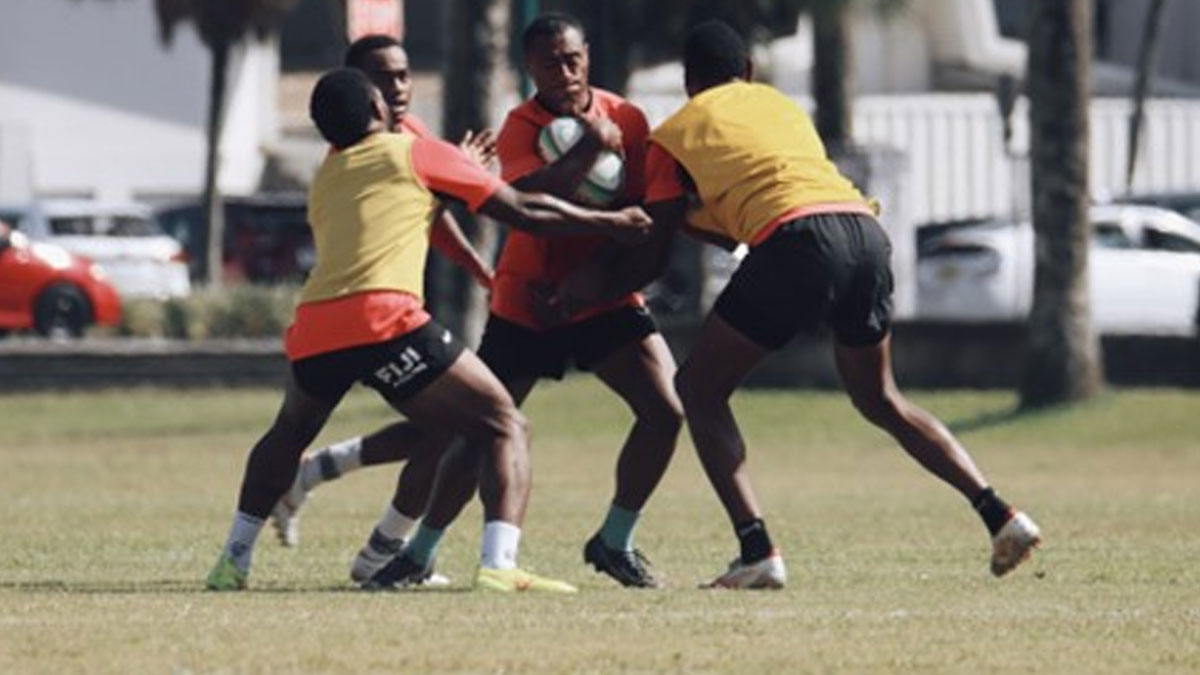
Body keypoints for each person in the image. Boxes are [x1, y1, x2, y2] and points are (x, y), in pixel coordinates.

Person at [552, 20, 1042, 589]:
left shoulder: (674, 136)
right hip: (864, 233)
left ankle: (756, 548)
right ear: (748, 72)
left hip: (797, 241)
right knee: (881, 398)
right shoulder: (780, 107)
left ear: (689, 83)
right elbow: (750, 210)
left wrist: (591, 288)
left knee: (698, 391)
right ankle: (1001, 515)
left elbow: (654, 254)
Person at [205, 67, 650, 593]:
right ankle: (500, 565)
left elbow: (403, 203)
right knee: (505, 425)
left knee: (290, 432)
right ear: (378, 110)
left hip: (318, 322)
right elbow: (522, 210)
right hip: (385, 319)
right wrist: (610, 222)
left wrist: (458, 168)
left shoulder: (328, 175)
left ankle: (233, 560)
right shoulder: (414, 151)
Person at [292, 13, 685, 590]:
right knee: (477, 430)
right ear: (529, 68)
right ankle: (418, 551)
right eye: (550, 63)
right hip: (527, 298)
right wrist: (586, 152)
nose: (564, 72)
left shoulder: (627, 117)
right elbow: (518, 200)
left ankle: (615, 540)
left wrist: (598, 279)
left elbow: (639, 208)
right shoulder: (520, 126)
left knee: (666, 411)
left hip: (600, 295)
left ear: (588, 56)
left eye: (573, 59)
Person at [268, 35, 496, 563]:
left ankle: (345, 508)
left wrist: (477, 268)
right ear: (358, 88)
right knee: (470, 423)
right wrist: (463, 172)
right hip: (368, 312)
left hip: (391, 305)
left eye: (403, 75)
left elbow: (429, 210)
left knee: (450, 427)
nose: (397, 88)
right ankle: (384, 548)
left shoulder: (411, 135)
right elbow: (433, 198)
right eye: (382, 77)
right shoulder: (352, 147)